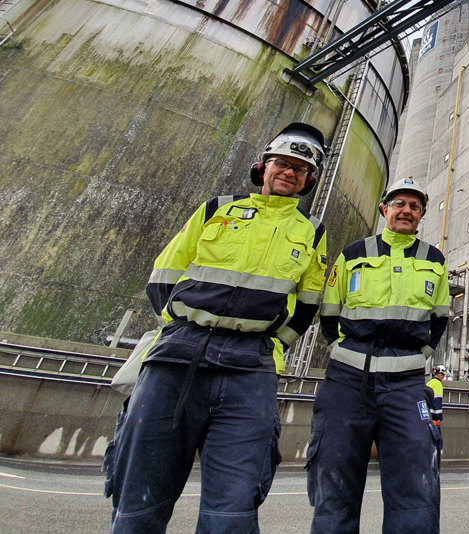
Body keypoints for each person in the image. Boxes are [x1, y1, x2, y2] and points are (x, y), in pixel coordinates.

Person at [104, 122, 329, 533]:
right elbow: (164, 275)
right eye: (282, 162)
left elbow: (308, 304)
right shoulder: (217, 209)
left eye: (299, 169)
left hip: (250, 366)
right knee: (139, 494)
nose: (289, 172)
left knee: (234, 506)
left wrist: (271, 347)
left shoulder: (311, 232)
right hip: (178, 357)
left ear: (308, 180)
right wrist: (179, 328)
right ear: (263, 166)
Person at [308, 177, 449, 534]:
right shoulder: (355, 252)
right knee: (335, 483)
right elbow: (329, 311)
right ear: (385, 209)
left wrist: (415, 356)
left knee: (415, 487)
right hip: (348, 381)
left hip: (405, 385)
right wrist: (343, 351)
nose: (406, 211)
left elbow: (440, 319)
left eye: (414, 207)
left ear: (421, 216)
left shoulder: (434, 259)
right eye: (399, 204)